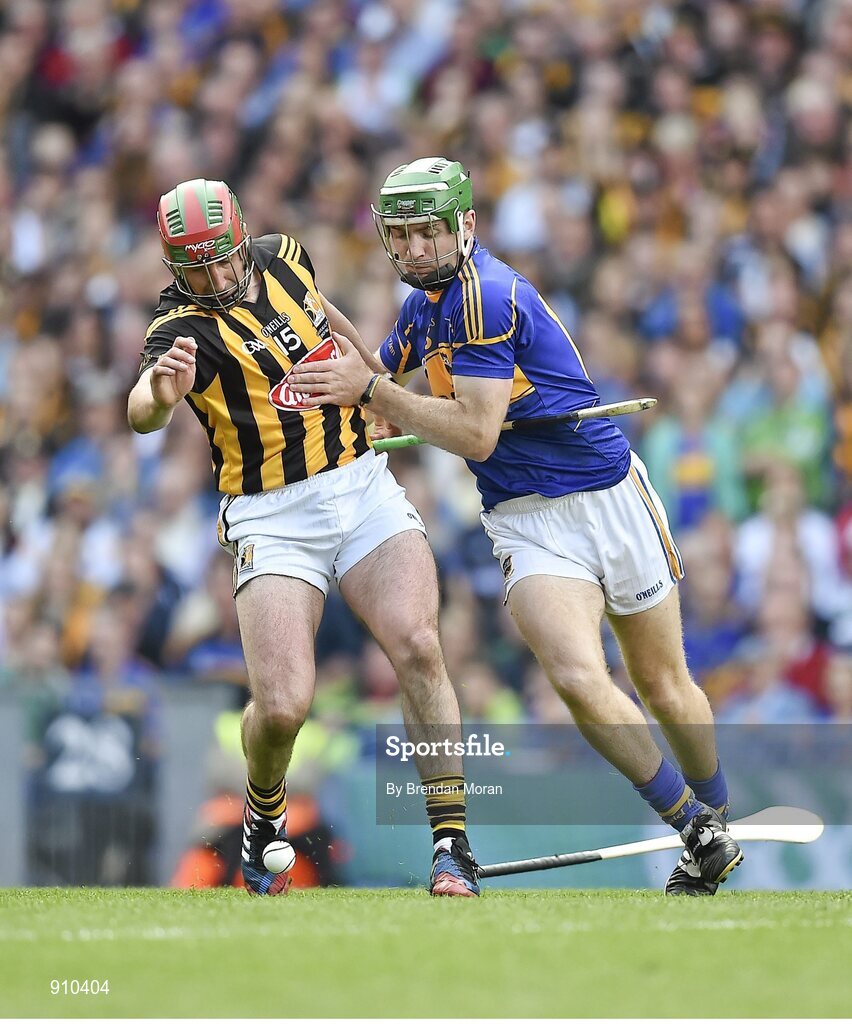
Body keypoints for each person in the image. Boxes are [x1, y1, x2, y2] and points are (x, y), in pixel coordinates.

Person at [288, 158, 743, 896]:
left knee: (663, 683)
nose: (411, 250)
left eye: (426, 233)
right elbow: (383, 391)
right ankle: (693, 824)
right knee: (573, 674)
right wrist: (345, 356)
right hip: (527, 522)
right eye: (399, 236)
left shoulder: (485, 296)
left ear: (465, 226)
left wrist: (370, 389)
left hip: (607, 497)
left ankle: (716, 815)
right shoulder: (422, 308)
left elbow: (473, 435)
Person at [127, 178, 479, 897]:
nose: (217, 277)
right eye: (197, 267)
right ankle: (262, 815)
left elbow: (326, 317)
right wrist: (161, 395)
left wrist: (377, 386)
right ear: (175, 268)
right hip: (269, 511)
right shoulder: (177, 331)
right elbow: (140, 410)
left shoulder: (284, 254)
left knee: (417, 642)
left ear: (242, 238)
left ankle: (452, 845)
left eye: (224, 259)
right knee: (284, 704)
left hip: (357, 481)